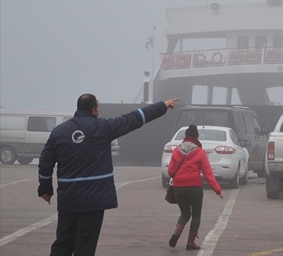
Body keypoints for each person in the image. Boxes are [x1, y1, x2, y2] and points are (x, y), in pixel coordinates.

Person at [38, 94, 180, 256]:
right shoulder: (103, 127)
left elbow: (45, 161)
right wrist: (162, 105)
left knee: (63, 242)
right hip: (93, 201)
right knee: (85, 245)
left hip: (68, 199)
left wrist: (45, 188)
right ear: (93, 110)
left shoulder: (59, 132)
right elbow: (134, 118)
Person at [167, 124, 225, 250]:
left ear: (185, 136)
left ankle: (176, 233)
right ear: (197, 136)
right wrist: (218, 190)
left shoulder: (177, 150)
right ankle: (190, 242)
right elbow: (208, 173)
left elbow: (171, 172)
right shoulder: (200, 152)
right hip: (194, 187)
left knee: (185, 213)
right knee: (196, 215)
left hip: (178, 187)